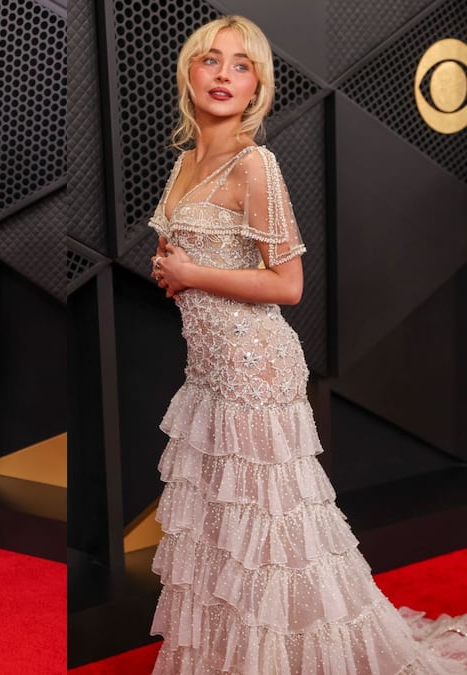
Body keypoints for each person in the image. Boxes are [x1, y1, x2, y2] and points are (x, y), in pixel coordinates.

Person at [148, 15, 467, 673]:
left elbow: (287, 282)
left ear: (258, 84)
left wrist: (193, 274)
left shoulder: (254, 163)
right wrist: (173, 271)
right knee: (222, 526)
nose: (224, 74)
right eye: (212, 60)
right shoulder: (185, 160)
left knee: (272, 527)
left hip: (255, 368)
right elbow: (180, 247)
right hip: (207, 367)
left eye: (242, 64)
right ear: (189, 72)